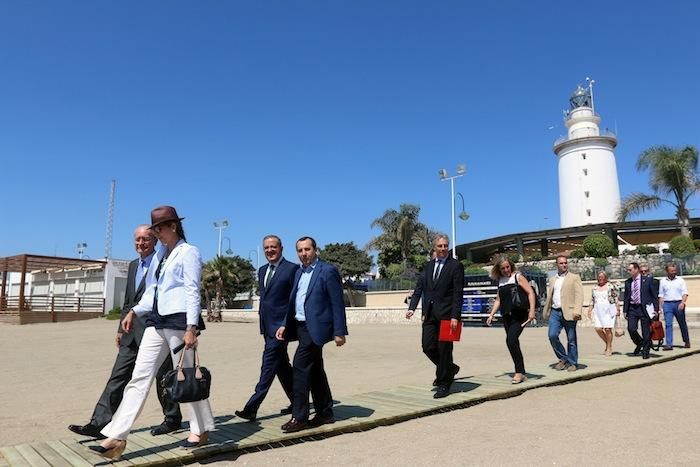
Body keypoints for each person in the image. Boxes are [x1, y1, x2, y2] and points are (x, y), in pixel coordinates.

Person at [91, 206, 215, 460]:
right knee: (139, 377)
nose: (155, 233)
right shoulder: (161, 255)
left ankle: (200, 429)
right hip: (156, 322)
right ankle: (116, 436)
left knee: (187, 378)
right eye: (153, 228)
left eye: (158, 228)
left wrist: (192, 327)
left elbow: (192, 291)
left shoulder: (188, 252)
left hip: (180, 323)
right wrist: (133, 311)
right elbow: (152, 290)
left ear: (173, 227)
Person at [68, 226, 182, 439]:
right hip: (130, 333)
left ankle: (172, 418)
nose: (141, 243)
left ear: (155, 240)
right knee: (117, 377)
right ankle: (99, 423)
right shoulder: (132, 266)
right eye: (138, 239)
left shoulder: (163, 262)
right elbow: (128, 301)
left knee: (163, 378)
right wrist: (121, 327)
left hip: (155, 331)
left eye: (146, 239)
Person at [276, 236, 348, 433]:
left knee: (299, 367)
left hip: (316, 328)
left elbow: (337, 303)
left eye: (307, 249)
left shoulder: (328, 271)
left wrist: (339, 332)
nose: (303, 254)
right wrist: (285, 324)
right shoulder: (299, 272)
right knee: (315, 369)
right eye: (300, 250)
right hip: (300, 326)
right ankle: (325, 412)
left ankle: (299, 417)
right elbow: (295, 302)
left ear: (315, 250)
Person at [235, 235, 297, 421]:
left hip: (281, 329)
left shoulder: (292, 269)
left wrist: (286, 323)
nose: (270, 250)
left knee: (268, 365)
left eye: (273, 247)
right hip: (267, 326)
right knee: (282, 367)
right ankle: (298, 401)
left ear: (281, 248)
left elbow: (293, 300)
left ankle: (252, 407)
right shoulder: (262, 270)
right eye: (266, 248)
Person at [406, 234, 465, 398]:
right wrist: (412, 308)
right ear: (435, 248)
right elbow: (420, 289)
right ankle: (449, 368)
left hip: (447, 315)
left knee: (445, 349)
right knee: (427, 347)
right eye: (440, 246)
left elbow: (458, 293)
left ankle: (444, 382)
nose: (443, 248)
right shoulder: (428, 266)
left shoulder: (456, 266)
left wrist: (455, 316)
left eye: (446, 245)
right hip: (430, 314)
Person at [485, 257, 536, 384]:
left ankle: (519, 372)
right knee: (513, 342)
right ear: (499, 269)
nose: (506, 270)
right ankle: (521, 371)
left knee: (511, 340)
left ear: (511, 266)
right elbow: (498, 299)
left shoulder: (517, 277)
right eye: (503, 268)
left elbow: (530, 292)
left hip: (520, 314)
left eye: (507, 267)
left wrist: (532, 311)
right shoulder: (500, 280)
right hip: (506, 316)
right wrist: (491, 314)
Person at [542, 255, 583, 371]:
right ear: (557, 265)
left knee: (571, 339)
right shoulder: (552, 279)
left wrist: (577, 311)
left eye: (565, 263)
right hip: (555, 311)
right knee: (552, 335)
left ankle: (573, 362)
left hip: (569, 311)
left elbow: (579, 295)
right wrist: (547, 310)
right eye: (561, 263)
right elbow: (550, 296)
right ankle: (563, 358)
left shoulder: (574, 277)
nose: (564, 265)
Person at [623, 262, 659, 359]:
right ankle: (640, 342)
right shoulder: (628, 282)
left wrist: (656, 309)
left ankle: (646, 350)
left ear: (636, 269)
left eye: (630, 270)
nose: (628, 271)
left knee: (645, 331)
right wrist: (625, 310)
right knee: (631, 328)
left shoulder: (647, 280)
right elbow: (626, 297)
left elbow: (654, 296)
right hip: (632, 308)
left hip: (644, 308)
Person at [658, 262, 691, 350]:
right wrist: (661, 307)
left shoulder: (680, 280)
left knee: (682, 323)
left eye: (674, 270)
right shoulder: (663, 281)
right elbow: (661, 295)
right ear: (667, 271)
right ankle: (669, 344)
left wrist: (683, 302)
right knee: (668, 324)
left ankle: (686, 341)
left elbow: (685, 293)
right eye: (671, 271)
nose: (673, 272)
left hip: (678, 303)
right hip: (667, 304)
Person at [586, 271, 620, 356]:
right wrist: (590, 309)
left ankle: (608, 347)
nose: (601, 278)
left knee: (608, 329)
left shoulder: (610, 286)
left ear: (605, 277)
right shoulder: (594, 288)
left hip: (609, 309)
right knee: (598, 329)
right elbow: (593, 299)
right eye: (599, 277)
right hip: (598, 310)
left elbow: (615, 298)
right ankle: (608, 343)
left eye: (602, 277)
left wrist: (618, 309)